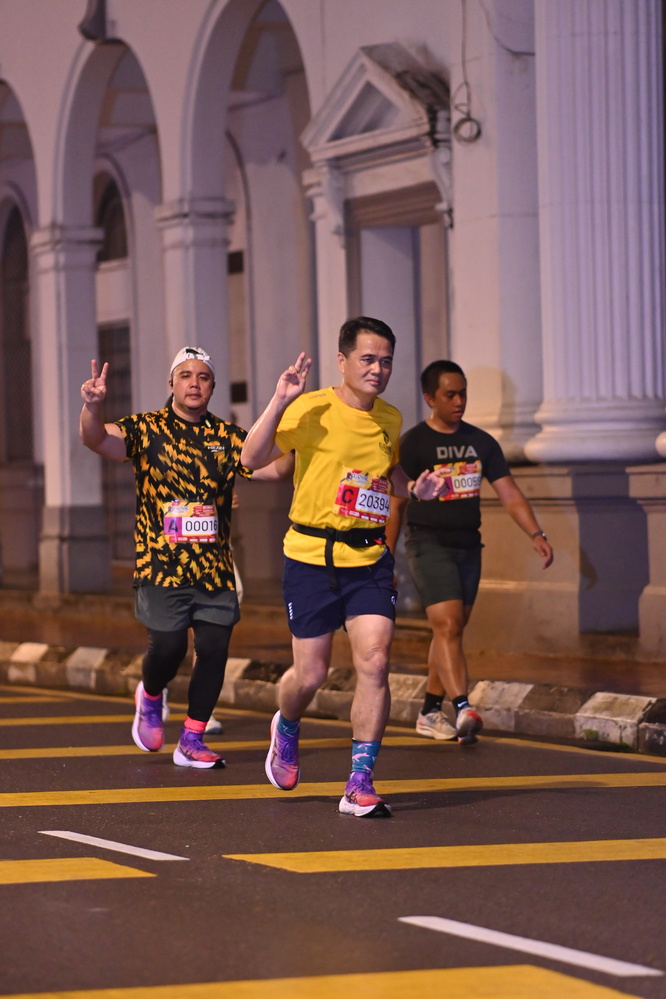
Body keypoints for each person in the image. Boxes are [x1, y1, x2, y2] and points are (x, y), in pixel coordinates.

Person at [240, 317, 446, 817]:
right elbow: (251, 457)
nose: (378, 370)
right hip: (310, 557)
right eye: (368, 359)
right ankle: (287, 725)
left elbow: (387, 473)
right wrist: (279, 400)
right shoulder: (310, 408)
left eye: (386, 361)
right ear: (343, 361)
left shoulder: (389, 418)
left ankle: (360, 781)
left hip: (368, 557)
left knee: (375, 660)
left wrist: (414, 488)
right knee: (309, 675)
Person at [79, 346, 287, 768]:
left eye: (203, 377)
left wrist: (311, 447)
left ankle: (192, 738)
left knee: (213, 648)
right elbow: (96, 438)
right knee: (169, 647)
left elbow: (272, 468)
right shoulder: (146, 428)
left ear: (212, 386)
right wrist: (93, 407)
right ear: (171, 383)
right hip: (160, 567)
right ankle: (151, 694)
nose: (195, 383)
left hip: (213, 570)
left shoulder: (227, 436)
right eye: (186, 375)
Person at [394, 359, 554, 745]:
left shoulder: (481, 442)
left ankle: (429, 712)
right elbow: (396, 501)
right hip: (428, 544)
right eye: (450, 394)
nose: (459, 401)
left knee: (450, 630)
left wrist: (535, 533)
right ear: (430, 398)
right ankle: (463, 706)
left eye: (463, 393)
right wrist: (384, 555)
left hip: (468, 546)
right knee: (448, 625)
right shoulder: (414, 443)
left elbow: (509, 492)